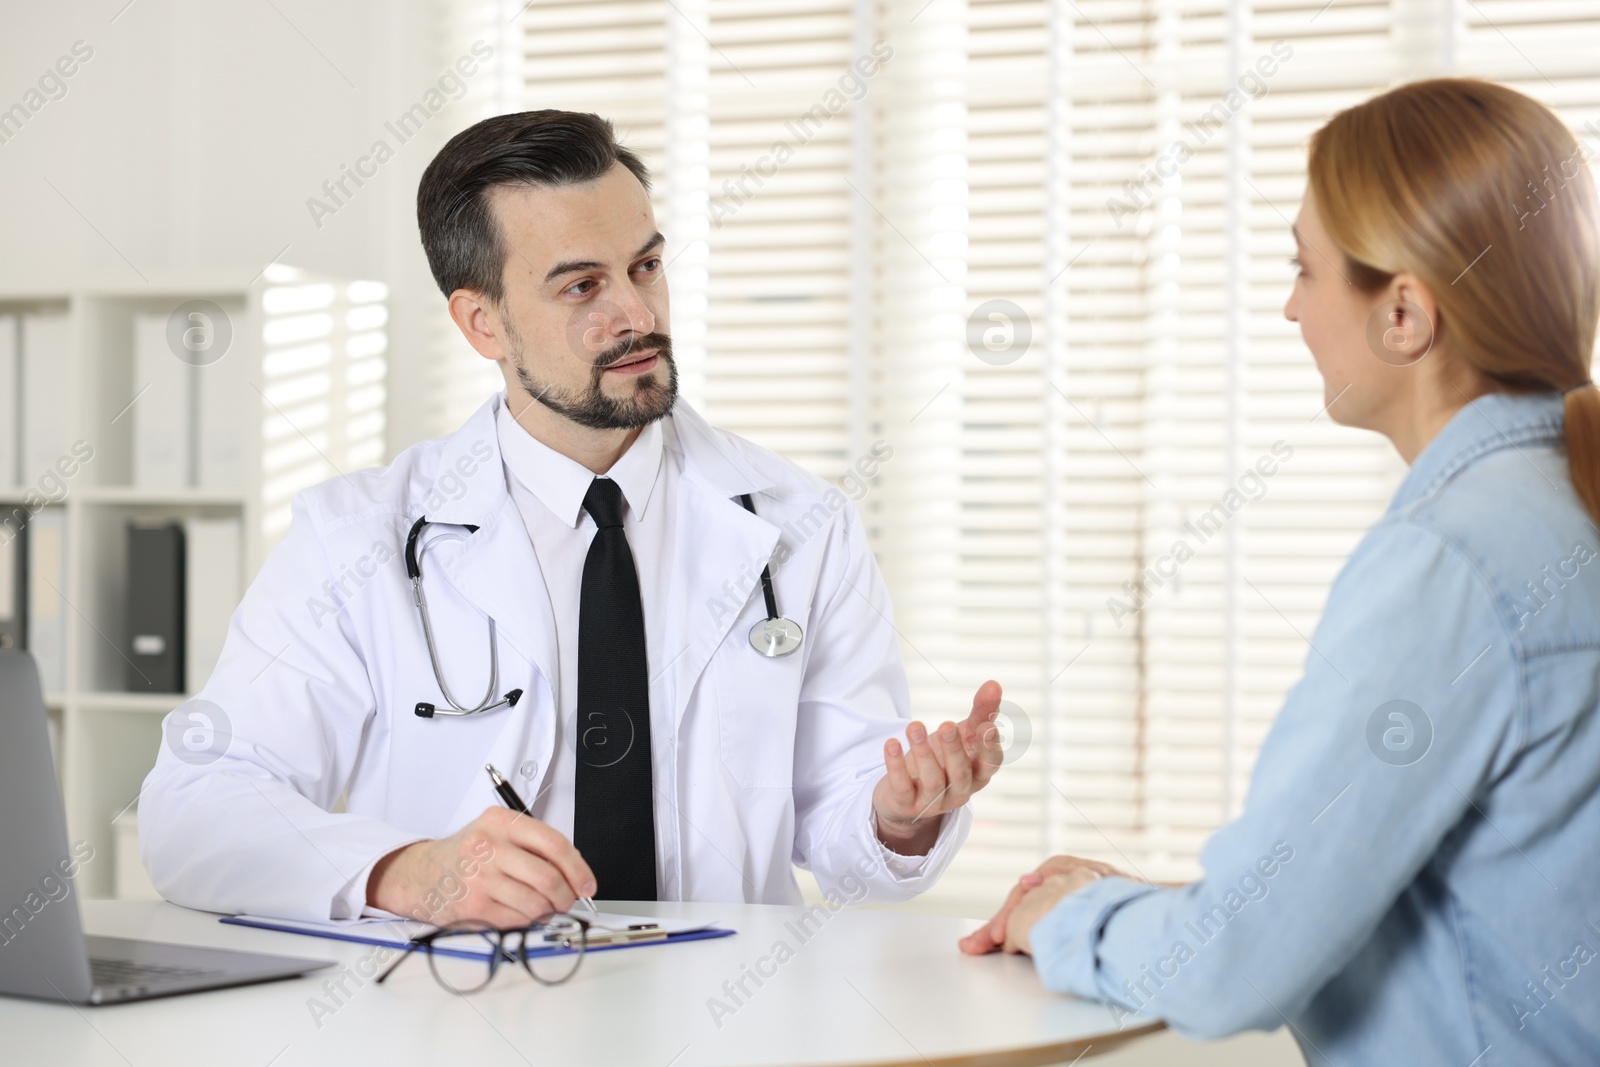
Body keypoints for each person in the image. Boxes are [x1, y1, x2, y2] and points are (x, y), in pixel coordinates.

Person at [140, 110, 1005, 925]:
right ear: (483, 322)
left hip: (727, 1013)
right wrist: (407, 870)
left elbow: (848, 828)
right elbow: (195, 806)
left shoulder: (803, 526)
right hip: (460, 1013)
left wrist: (898, 813)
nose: (635, 314)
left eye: (646, 266)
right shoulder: (358, 537)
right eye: (581, 285)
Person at [961, 78, 1600, 1065]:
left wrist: (1066, 919)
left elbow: (1233, 967)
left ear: (1402, 313)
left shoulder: (1449, 561)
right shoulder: (1566, 508)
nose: (1288, 307)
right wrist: (1150, 904)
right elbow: (1483, 913)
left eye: (1305, 270)